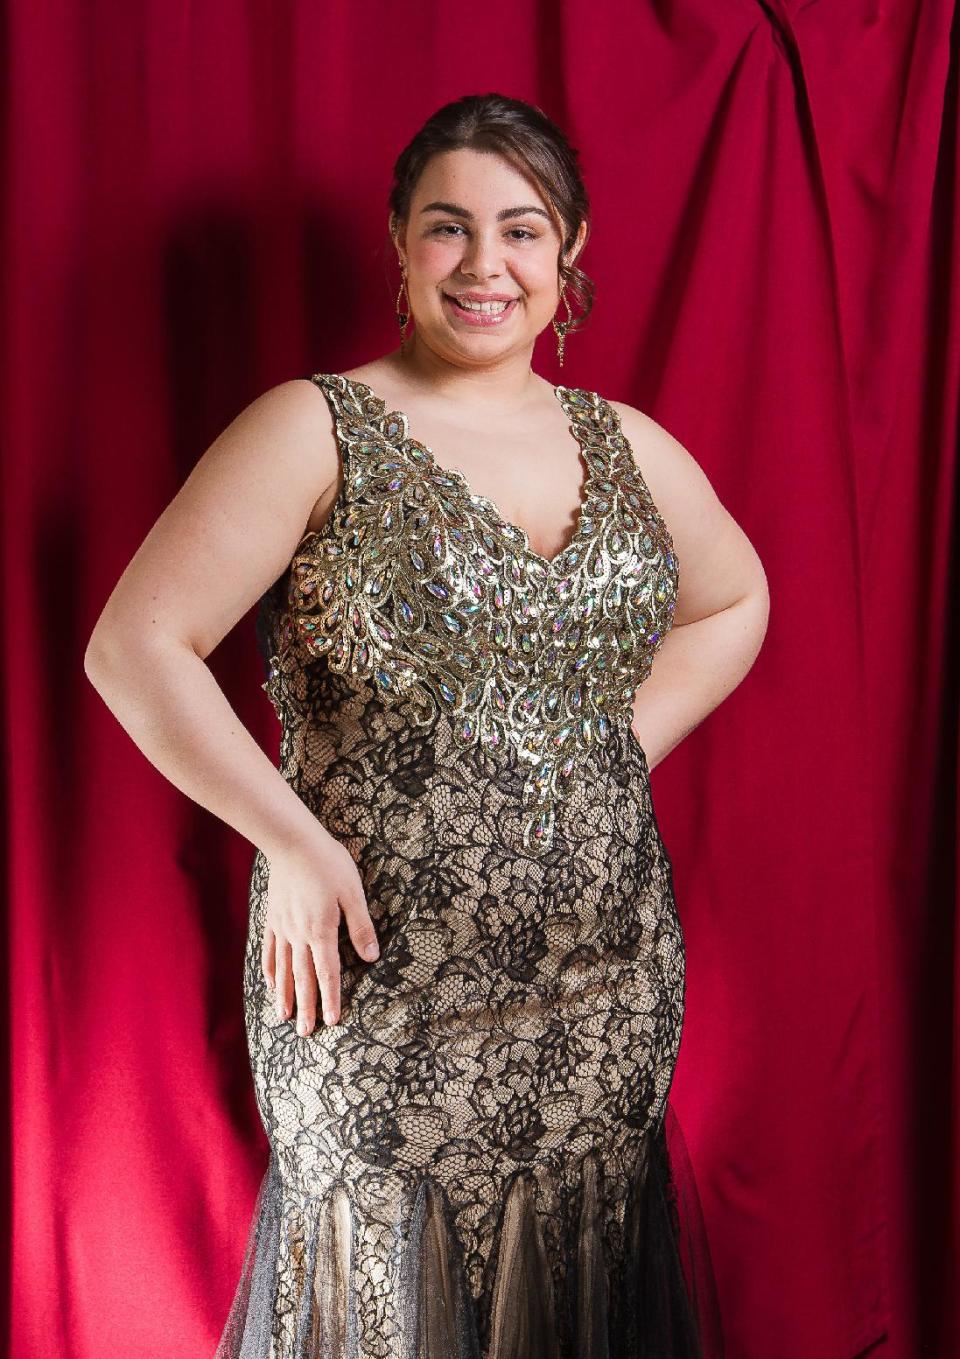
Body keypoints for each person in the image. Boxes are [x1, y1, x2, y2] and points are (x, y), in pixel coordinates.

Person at [85, 92, 768, 1359]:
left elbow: (736, 601)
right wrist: (291, 842)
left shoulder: (623, 446)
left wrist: (602, 757)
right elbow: (135, 647)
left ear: (568, 256)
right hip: (381, 998)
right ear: (400, 247)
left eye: (521, 230)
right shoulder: (314, 428)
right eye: (448, 229)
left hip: (605, 996)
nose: (484, 264)